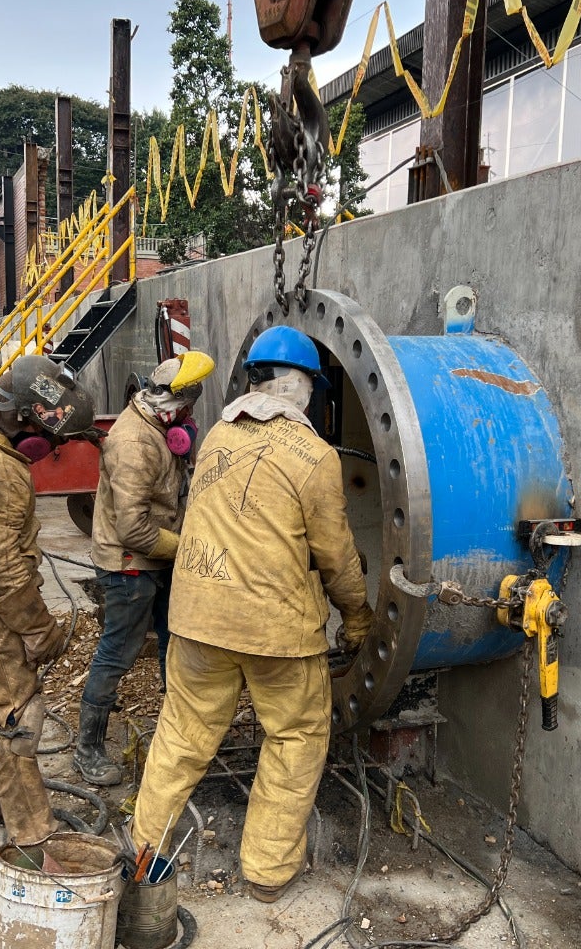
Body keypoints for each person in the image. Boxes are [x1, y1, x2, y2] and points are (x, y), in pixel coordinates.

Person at [129, 326, 376, 902]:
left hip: (197, 617)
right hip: (276, 630)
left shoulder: (216, 436)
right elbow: (337, 556)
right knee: (294, 737)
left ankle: (145, 854)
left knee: (182, 734)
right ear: (305, 388)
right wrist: (357, 616)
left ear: (254, 382)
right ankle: (267, 871)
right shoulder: (315, 457)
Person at [0, 357, 96, 843]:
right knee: (17, 715)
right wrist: (38, 628)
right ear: (27, 421)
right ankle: (33, 833)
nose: (51, 447)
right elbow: (1, 570)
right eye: (50, 436)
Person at [73, 351, 216, 786]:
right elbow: (132, 528)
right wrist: (188, 549)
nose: (190, 418)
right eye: (188, 408)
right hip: (130, 563)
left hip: (160, 554)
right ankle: (88, 749)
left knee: (175, 642)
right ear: (171, 404)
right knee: (119, 650)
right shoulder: (134, 443)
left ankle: (178, 736)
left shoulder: (159, 427)